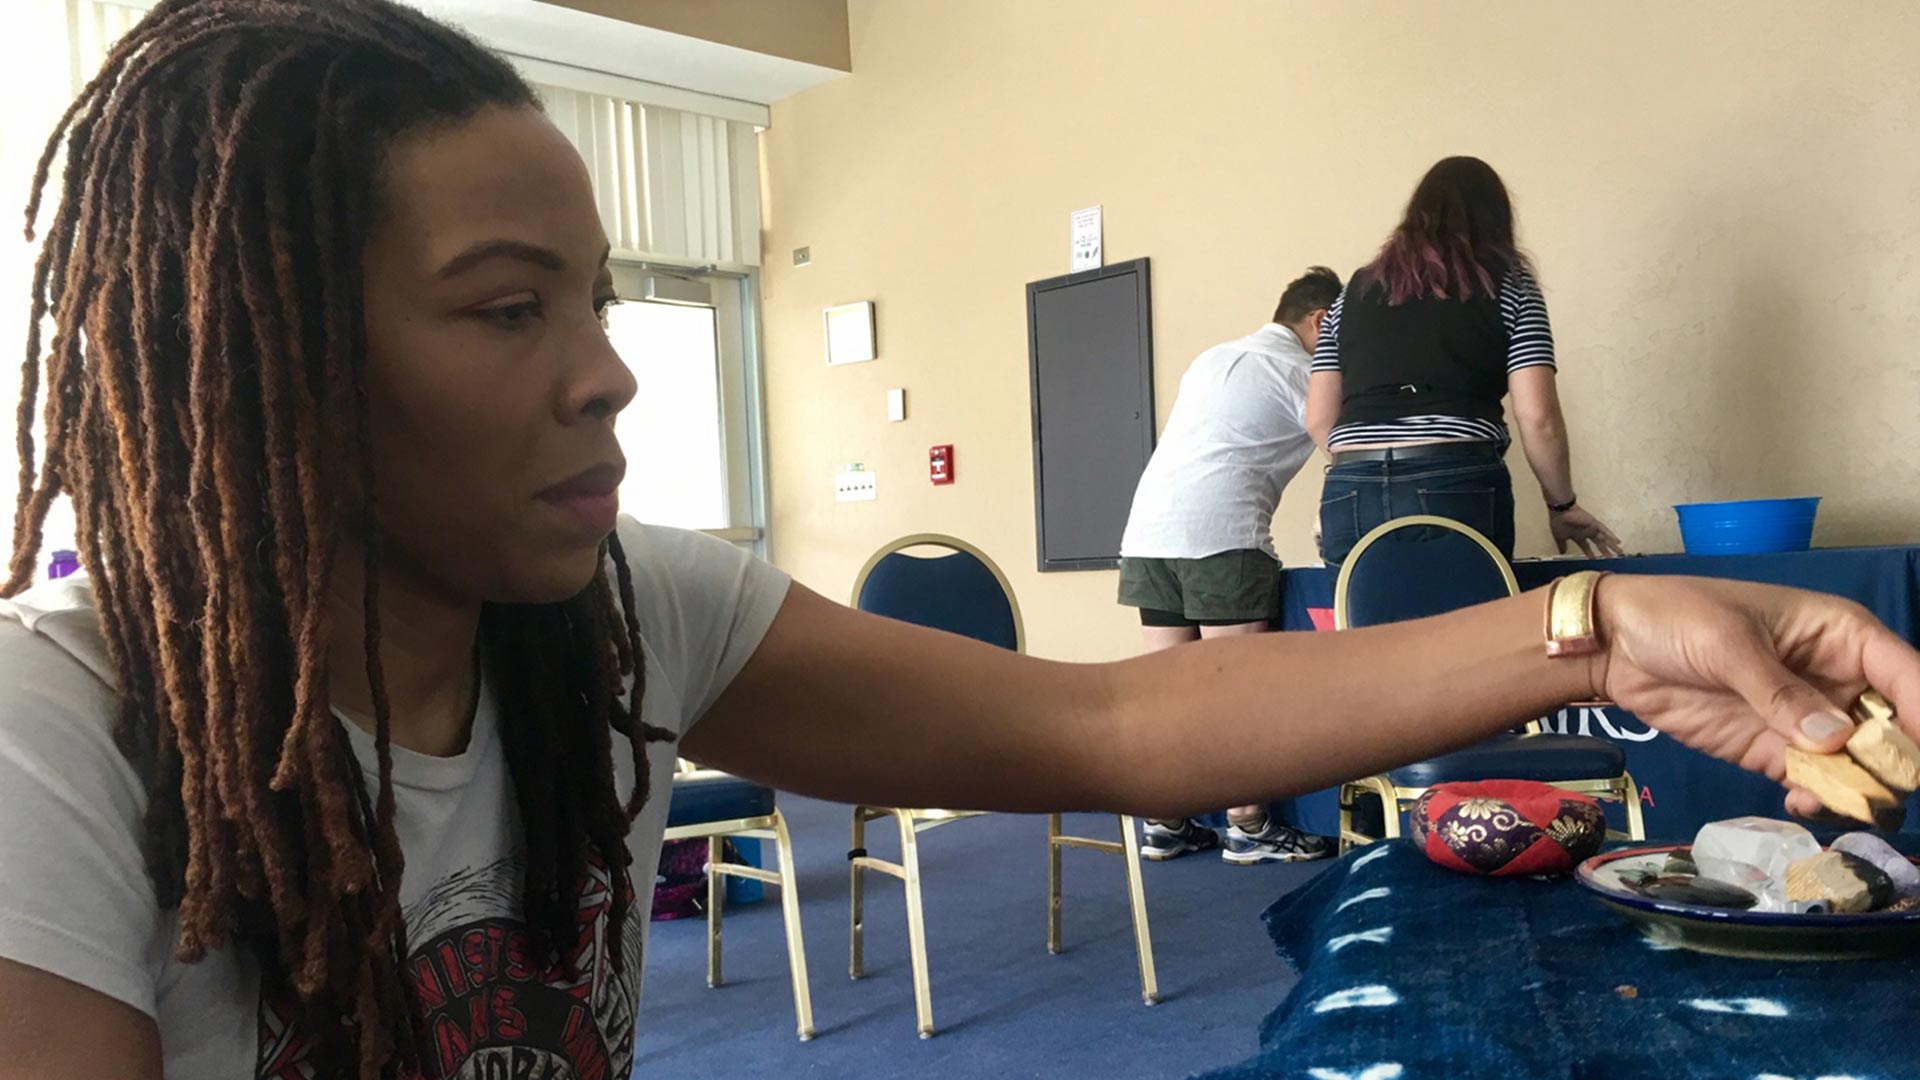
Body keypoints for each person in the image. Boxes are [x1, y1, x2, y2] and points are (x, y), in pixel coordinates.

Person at [0, 5, 1913, 1077]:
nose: (609, 382)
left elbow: (1107, 734)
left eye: (601, 304)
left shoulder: (625, 613)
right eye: (510, 311)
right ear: (263, 367)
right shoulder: (47, 752)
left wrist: (1606, 624)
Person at [1116, 268, 1341, 865]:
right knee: (1234, 688)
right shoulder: (1304, 372)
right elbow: (1342, 448)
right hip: (1220, 536)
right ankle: (1248, 826)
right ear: (1320, 320)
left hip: (1148, 532)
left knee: (1169, 689)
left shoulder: (1212, 358)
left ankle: (1165, 820)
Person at [1304, 156, 1624, 566]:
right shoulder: (1509, 282)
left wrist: (1370, 466)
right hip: (1454, 478)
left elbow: (1317, 418)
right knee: (1470, 629)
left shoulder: (1352, 293)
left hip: (1350, 483)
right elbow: (1537, 416)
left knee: (1369, 629)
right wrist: (1561, 506)